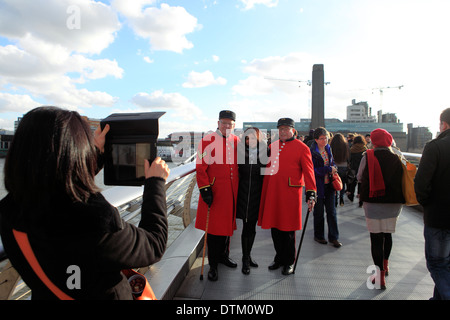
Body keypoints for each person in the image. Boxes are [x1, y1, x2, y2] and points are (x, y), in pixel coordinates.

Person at [0, 106, 170, 300]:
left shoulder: (9, 213)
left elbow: (57, 185)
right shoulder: (95, 219)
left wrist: (94, 156)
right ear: (75, 152)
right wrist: (155, 183)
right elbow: (154, 244)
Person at [258, 118, 316, 275]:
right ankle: (279, 258)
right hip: (273, 192)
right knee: (275, 228)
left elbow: (309, 172)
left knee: (288, 230)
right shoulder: (272, 147)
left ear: (293, 131)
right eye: (280, 129)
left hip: (290, 194)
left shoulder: (302, 148)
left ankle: (289, 261)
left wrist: (311, 192)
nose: (283, 131)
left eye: (286, 129)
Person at [357, 128, 404, 289]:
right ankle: (386, 266)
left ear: (373, 141)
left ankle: (379, 277)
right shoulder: (398, 156)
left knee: (376, 239)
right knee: (387, 235)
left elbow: (359, 177)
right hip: (393, 203)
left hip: (373, 202)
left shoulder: (367, 156)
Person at [195, 110, 239, 281]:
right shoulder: (206, 141)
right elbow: (200, 167)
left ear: (234, 125)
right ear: (218, 123)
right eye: (224, 122)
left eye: (230, 123)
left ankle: (223, 257)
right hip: (215, 192)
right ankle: (213, 265)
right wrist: (205, 190)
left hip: (232, 193)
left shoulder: (236, 141)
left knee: (227, 227)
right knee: (214, 231)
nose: (227, 126)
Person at [414, 108, 450, 300]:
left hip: (439, 216)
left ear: (443, 124)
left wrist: (427, 203)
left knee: (437, 263)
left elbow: (421, 183)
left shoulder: (435, 147)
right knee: (447, 264)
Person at [236, 127, 267, 275]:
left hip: (257, 194)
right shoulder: (239, 152)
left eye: (253, 138)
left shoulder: (264, 153)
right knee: (246, 227)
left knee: (252, 227)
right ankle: (245, 259)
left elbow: (267, 173)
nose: (250, 141)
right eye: (247, 138)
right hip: (243, 193)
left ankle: (248, 255)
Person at [310, 127, 342, 248]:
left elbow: (332, 163)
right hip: (318, 185)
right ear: (316, 139)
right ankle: (319, 235)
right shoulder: (312, 152)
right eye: (322, 138)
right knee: (318, 212)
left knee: (331, 212)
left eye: (326, 138)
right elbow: (312, 171)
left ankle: (334, 237)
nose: (324, 141)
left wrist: (333, 168)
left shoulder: (328, 149)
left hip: (329, 185)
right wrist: (328, 169)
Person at [329, 133, 350, 207]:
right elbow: (348, 157)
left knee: (335, 183)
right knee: (342, 183)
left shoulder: (331, 146)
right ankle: (341, 198)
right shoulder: (345, 145)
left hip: (335, 167)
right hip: (344, 166)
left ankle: (335, 200)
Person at [347, 135, 367, 205]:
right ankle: (360, 200)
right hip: (362, 168)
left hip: (353, 168)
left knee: (353, 182)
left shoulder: (352, 149)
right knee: (361, 183)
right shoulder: (365, 149)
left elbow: (349, 159)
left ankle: (351, 195)